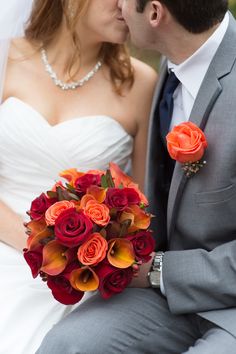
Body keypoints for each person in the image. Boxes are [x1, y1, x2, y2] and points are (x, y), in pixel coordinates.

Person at [37, 0, 236, 353]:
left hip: (226, 303)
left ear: (156, 14)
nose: (118, 5)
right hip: (166, 300)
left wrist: (158, 270)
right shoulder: (174, 60)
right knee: (67, 345)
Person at [0, 0, 157, 353]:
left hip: (80, 275)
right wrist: (39, 247)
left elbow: (143, 206)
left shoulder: (142, 83)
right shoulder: (5, 58)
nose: (129, 6)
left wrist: (86, 258)